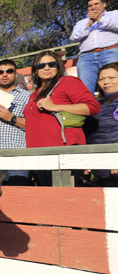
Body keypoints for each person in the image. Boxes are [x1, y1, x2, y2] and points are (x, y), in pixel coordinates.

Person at [23, 51, 100, 185]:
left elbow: (93, 107)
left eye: (51, 64)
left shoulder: (67, 82)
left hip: (63, 154)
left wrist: (56, 107)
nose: (46, 68)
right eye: (41, 66)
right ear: (35, 70)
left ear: (58, 67)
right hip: (39, 156)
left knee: (66, 200)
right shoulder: (34, 94)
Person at [0, 60, 32, 185]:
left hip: (18, 156)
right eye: (0, 72)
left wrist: (12, 118)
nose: (4, 75)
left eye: (9, 71)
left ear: (16, 74)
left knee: (20, 196)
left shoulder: (28, 96)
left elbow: (34, 126)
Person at [69, 0, 118, 92]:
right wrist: (89, 24)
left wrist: (99, 19)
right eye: (90, 5)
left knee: (114, 84)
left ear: (104, 4)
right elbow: (73, 37)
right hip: (86, 58)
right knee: (84, 90)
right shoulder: (82, 22)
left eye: (96, 4)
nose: (93, 7)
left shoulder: (114, 14)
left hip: (111, 52)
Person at [85, 62, 118, 186]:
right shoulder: (95, 104)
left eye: (112, 78)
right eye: (101, 79)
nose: (106, 82)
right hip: (100, 169)